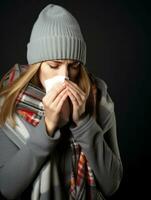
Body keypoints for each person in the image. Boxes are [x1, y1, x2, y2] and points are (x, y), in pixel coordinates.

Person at [0, 4, 123, 200]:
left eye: (73, 66)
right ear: (36, 65)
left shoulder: (99, 101)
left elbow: (112, 184)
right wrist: (47, 127)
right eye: (54, 65)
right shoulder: (9, 104)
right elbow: (7, 187)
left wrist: (83, 122)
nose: (65, 76)